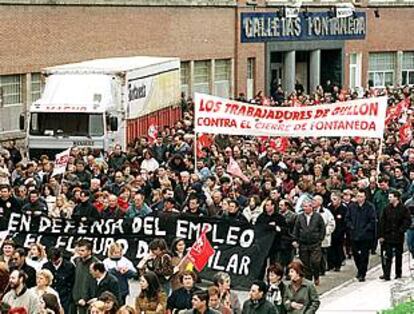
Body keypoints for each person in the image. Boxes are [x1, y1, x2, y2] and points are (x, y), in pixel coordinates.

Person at [378, 190, 411, 280]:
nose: (389, 199)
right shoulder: (386, 209)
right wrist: (381, 235)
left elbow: (407, 220)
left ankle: (398, 273)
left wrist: (401, 230)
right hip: (388, 235)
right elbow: (382, 222)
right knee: (387, 255)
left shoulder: (403, 209)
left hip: (398, 236)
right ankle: (386, 274)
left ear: (396, 197)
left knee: (398, 255)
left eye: (391, 197)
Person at [292, 199, 325, 286]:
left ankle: (316, 276)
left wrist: (320, 239)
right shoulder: (300, 217)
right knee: (305, 264)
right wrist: (295, 240)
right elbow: (296, 229)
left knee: (315, 261)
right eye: (305, 206)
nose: (307, 208)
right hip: (303, 244)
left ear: (312, 207)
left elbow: (322, 229)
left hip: (315, 243)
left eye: (309, 206)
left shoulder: (318, 217)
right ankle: (309, 281)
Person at [345, 189, 377, 282]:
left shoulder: (370, 207)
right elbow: (347, 219)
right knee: (355, 254)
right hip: (354, 235)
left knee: (364, 255)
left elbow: (372, 221)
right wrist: (351, 227)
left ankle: (362, 273)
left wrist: (366, 230)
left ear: (365, 197)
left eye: (361, 196)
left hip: (365, 236)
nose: (359, 198)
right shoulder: (352, 207)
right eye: (358, 196)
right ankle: (359, 270)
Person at [42, 248, 75, 314]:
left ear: (60, 257)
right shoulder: (46, 266)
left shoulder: (69, 266)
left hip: (64, 297)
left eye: (56, 260)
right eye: (52, 260)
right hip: (49, 298)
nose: (54, 262)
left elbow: (72, 283)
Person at [72, 240, 100, 314]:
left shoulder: (96, 264)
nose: (80, 252)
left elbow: (96, 283)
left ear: (89, 251)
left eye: (82, 250)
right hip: (78, 300)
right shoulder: (78, 261)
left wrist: (87, 299)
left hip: (91, 302)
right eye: (79, 250)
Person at [312, 195, 336, 276]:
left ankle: (322, 269)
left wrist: (325, 232)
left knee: (322, 254)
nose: (313, 202)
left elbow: (332, 224)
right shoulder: (310, 211)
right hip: (313, 237)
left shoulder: (326, 212)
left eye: (315, 201)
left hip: (323, 237)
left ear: (320, 202)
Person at [327, 191, 348, 272]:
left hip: (340, 232)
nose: (333, 201)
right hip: (331, 232)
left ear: (339, 200)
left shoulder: (344, 209)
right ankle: (330, 264)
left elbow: (345, 222)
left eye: (335, 199)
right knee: (330, 249)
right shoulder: (329, 208)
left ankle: (337, 265)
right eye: (332, 199)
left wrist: (344, 231)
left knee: (338, 248)